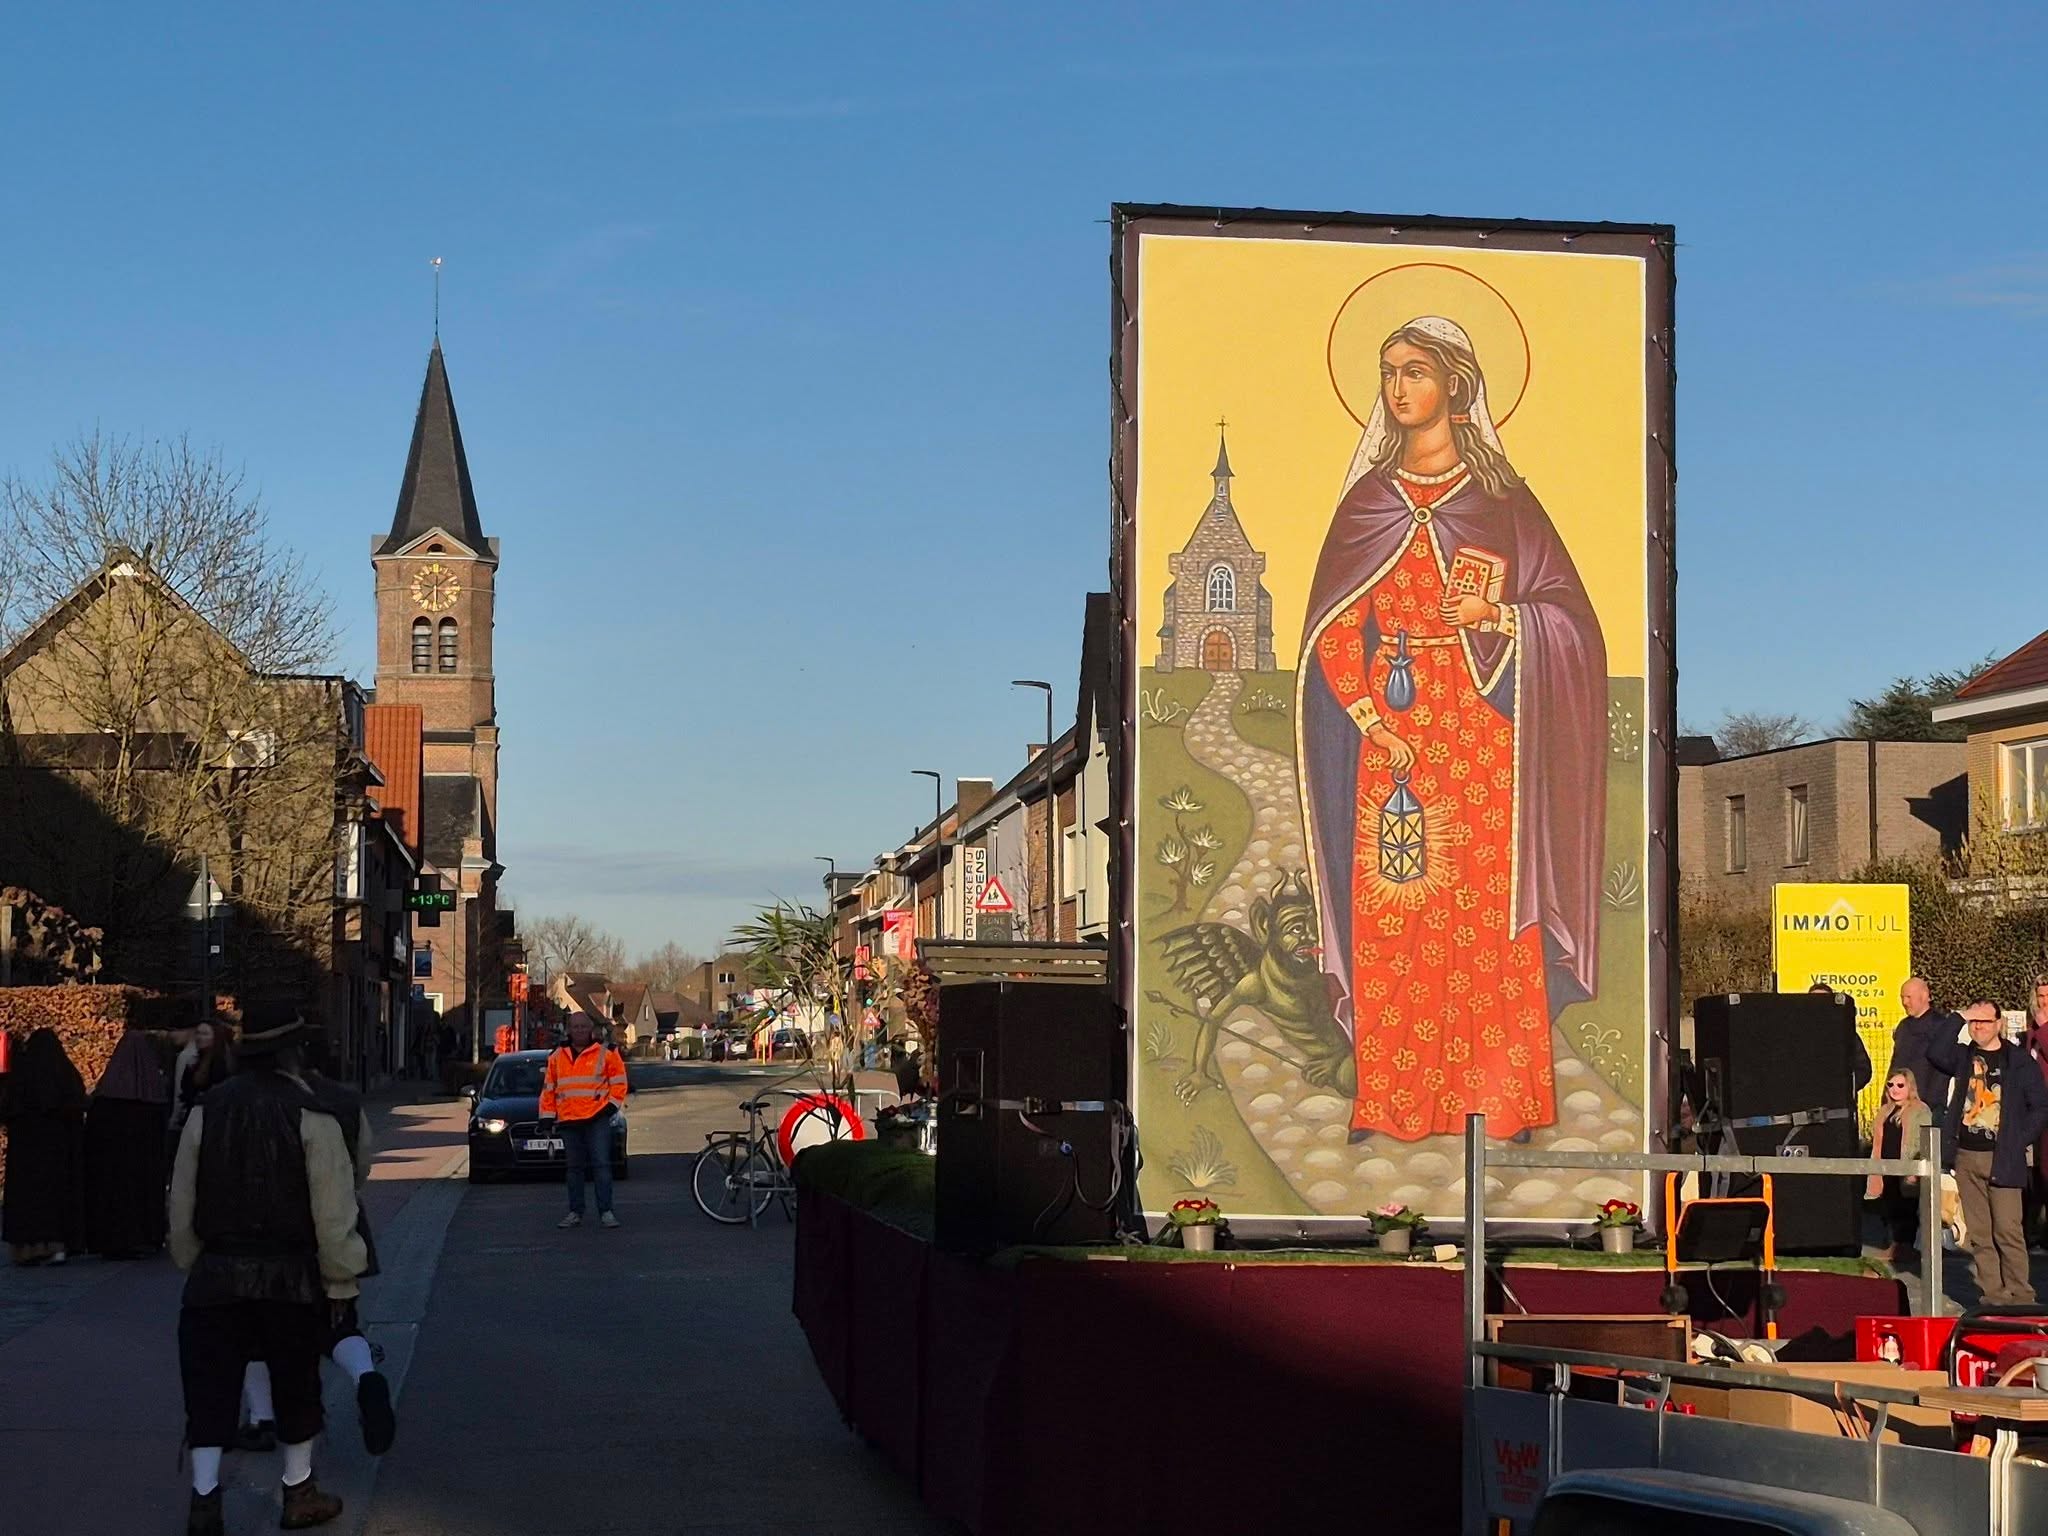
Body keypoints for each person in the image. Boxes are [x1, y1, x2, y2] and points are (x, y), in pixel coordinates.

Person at [1296, 316, 1608, 1142]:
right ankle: (1392, 1100)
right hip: (1394, 741)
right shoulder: (1367, 504)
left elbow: (1573, 623)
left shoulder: (1505, 504)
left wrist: (1494, 615)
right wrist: (1370, 720)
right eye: (1388, 371)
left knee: (1488, 918)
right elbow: (1335, 628)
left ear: (1456, 386)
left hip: (1482, 737)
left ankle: (1503, 1103)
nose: (1398, 387)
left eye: (1416, 371)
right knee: (1396, 915)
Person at [169, 1008, 366, 1534]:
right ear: (293, 1052)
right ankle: (298, 1491)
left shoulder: (207, 1109)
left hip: (216, 1275)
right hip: (290, 1276)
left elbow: (182, 1199)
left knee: (210, 1389)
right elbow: (333, 1211)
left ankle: (204, 1501)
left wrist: (192, 1259)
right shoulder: (312, 1114)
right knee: (296, 1385)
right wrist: (340, 1278)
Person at [239, 1029, 396, 1458]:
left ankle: (261, 1419)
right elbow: (363, 1161)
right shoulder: (343, 1100)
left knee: (256, 1330)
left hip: (273, 1231)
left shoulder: (254, 1099)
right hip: (339, 1221)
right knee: (339, 1322)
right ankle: (366, 1377)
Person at [1926, 1001, 2048, 1308]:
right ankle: (1993, 1295)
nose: (1978, 1026)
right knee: (1980, 1233)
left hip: (2004, 1157)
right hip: (1967, 1155)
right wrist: (1958, 1017)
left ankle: (2021, 1295)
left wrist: (2018, 1139)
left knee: (2008, 1229)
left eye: (1984, 1021)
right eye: (1973, 1022)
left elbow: (2040, 1106)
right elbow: (1935, 1052)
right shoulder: (1963, 1057)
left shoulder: (2018, 1061)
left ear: (1998, 1023)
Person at [0, 1029, 87, 1266]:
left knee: (25, 1200)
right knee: (54, 1199)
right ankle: (55, 1245)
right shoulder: (65, 1076)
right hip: (56, 1153)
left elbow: (7, 1108)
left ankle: (26, 1248)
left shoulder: (21, 1079)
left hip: (24, 1154)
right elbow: (77, 1106)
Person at [84, 1025, 171, 1258]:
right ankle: (144, 1236)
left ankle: (112, 1240)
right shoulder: (153, 1097)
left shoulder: (106, 1098)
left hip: (111, 1168)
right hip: (143, 1166)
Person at [539, 1011, 626, 1229]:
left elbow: (619, 1083)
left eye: (583, 1027)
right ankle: (575, 1212)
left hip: (597, 1118)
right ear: (569, 1029)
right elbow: (548, 1090)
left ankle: (606, 1211)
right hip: (569, 1120)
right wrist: (546, 1119)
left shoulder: (607, 1052)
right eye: (575, 1027)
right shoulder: (556, 1056)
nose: (579, 1031)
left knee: (601, 1166)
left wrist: (609, 1108)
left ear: (591, 1029)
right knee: (574, 1169)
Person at [1865, 1069, 1934, 1263]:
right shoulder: (1885, 1111)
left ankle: (1906, 1247)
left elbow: (1923, 1140)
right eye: (1891, 1085)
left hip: (1907, 1167)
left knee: (1907, 1208)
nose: (1894, 1089)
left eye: (1900, 1085)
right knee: (1889, 1206)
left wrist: (1915, 1168)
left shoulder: (1920, 1110)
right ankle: (1894, 1245)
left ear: (1910, 1087)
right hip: (1885, 1167)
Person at [1889, 977, 1958, 1123]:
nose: (1905, 1002)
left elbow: (1942, 1071)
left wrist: (1928, 1103)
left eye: (1909, 997)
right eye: (1902, 998)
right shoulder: (1903, 1027)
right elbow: (1896, 1064)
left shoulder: (1941, 1026)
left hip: (1929, 1106)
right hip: (1900, 1104)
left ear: (1925, 996)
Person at [170, 1019, 236, 1156]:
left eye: (205, 1034)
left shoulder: (225, 1064)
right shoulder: (192, 1063)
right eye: (198, 1033)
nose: (200, 1037)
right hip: (193, 1120)